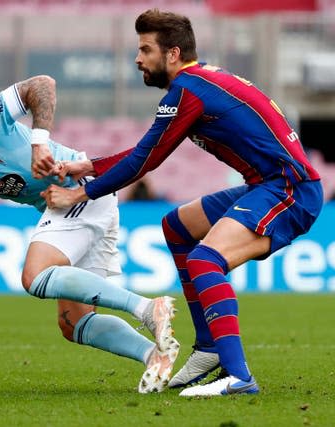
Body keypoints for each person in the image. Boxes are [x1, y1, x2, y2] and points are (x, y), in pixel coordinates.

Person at [40, 9, 323, 397]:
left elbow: (145, 160)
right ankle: (208, 348)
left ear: (172, 54)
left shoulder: (187, 90)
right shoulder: (198, 82)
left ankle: (239, 376)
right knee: (178, 225)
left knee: (205, 260)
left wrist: (81, 192)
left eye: (145, 49)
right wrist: (88, 165)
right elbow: (147, 150)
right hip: (268, 185)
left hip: (290, 190)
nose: (137, 58)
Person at [0, 75, 180, 393]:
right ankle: (155, 356)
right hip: (65, 207)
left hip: (79, 189)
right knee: (74, 324)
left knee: (34, 276)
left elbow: (43, 85)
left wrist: (39, 142)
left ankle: (148, 308)